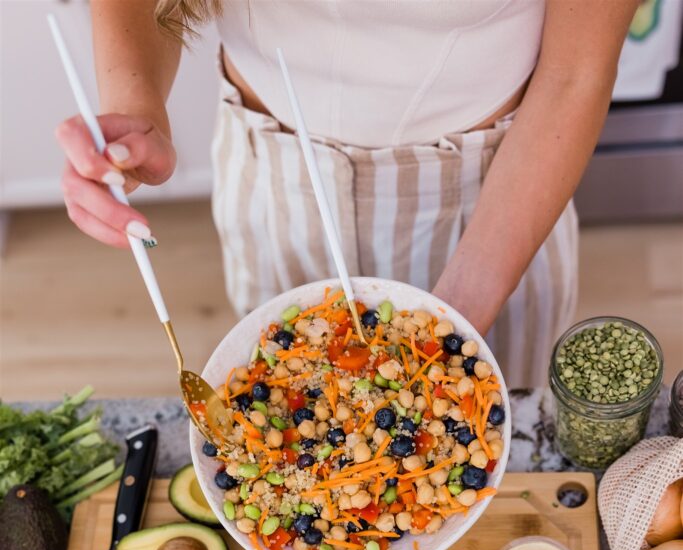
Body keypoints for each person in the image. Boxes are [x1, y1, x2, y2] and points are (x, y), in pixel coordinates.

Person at [56, 0, 638, 387]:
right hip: (276, 176)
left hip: (495, 193)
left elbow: (575, 73)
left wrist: (453, 321)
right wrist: (134, 107)